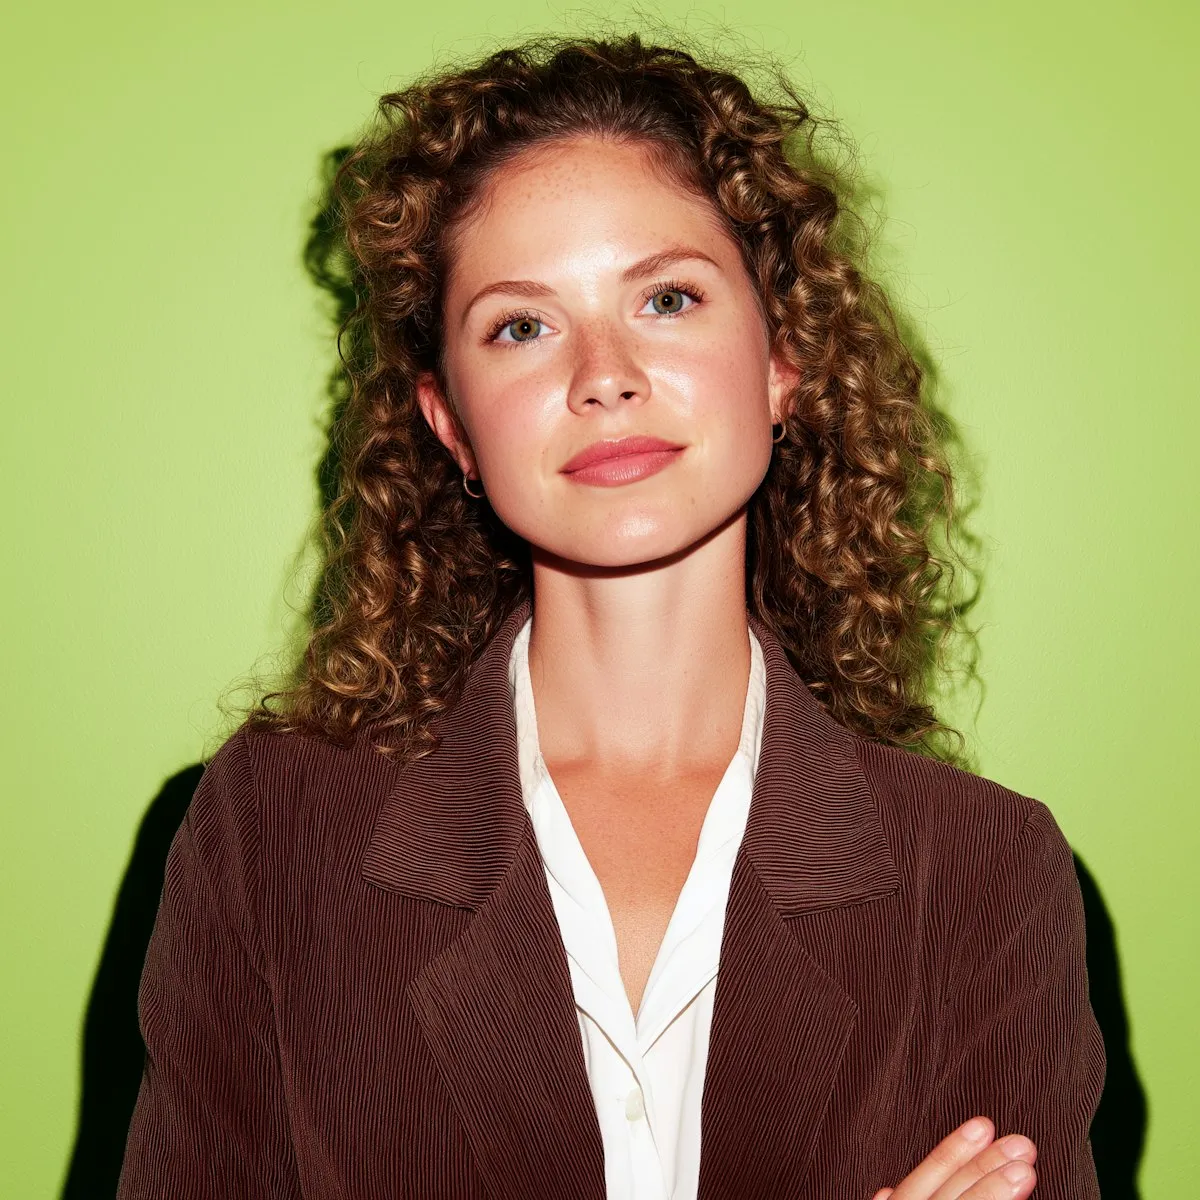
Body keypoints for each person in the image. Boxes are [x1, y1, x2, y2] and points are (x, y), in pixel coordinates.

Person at [116, 34, 1105, 1200]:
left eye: (669, 297)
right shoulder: (272, 830)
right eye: (521, 327)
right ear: (450, 423)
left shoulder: (985, 872)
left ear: (783, 358)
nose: (604, 373)